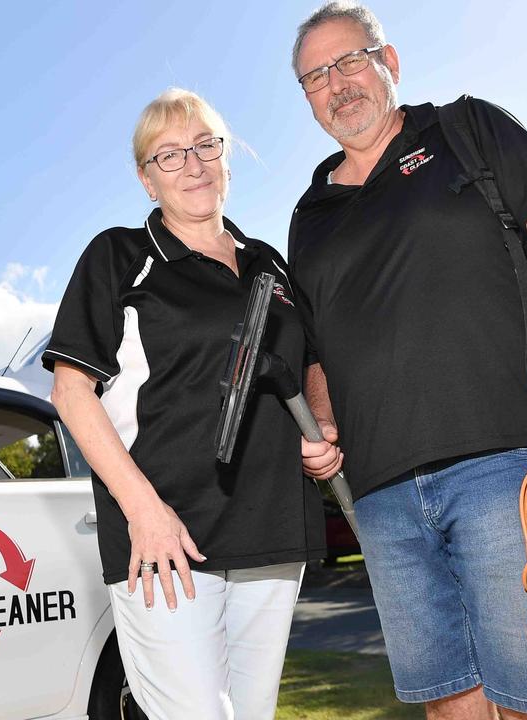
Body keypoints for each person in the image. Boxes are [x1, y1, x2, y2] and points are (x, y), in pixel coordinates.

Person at [288, 3, 527, 719]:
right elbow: (319, 349)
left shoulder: (465, 129)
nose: (337, 83)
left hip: (504, 467)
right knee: (448, 706)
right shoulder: (310, 212)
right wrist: (321, 424)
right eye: (315, 76)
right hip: (381, 498)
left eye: (349, 60)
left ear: (388, 63)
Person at [43, 88, 325, 720]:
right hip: (164, 533)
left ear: (226, 158)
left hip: (271, 526)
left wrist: (321, 423)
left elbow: (307, 363)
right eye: (169, 155)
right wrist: (144, 513)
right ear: (147, 180)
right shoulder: (120, 257)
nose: (193, 164)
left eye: (205, 145)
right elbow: (71, 391)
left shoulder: (269, 266)